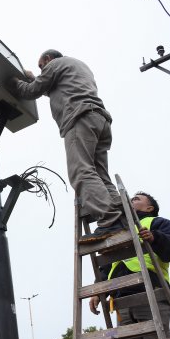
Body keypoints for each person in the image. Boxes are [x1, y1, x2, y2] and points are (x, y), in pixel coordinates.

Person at [7, 49, 123, 243]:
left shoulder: (53, 65)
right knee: (101, 175)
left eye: (41, 65)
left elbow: (32, 91)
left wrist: (12, 82)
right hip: (99, 119)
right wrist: (34, 78)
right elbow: (50, 88)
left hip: (80, 119)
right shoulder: (77, 65)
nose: (42, 69)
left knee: (81, 171)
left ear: (47, 59)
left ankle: (110, 220)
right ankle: (121, 218)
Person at [89, 192, 170, 339]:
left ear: (149, 208)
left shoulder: (157, 222)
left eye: (136, 199)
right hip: (121, 300)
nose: (130, 201)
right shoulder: (120, 230)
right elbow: (107, 266)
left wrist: (155, 237)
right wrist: (98, 291)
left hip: (150, 292)